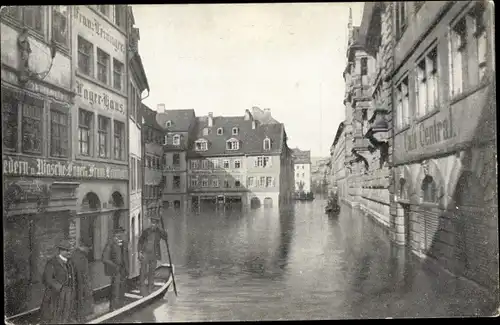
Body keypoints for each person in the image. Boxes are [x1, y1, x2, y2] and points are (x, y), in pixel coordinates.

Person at [40, 239, 77, 324]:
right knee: (57, 313)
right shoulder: (52, 262)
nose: (69, 252)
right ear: (61, 251)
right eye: (67, 250)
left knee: (67, 311)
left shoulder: (70, 262)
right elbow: (47, 279)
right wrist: (60, 287)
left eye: (70, 250)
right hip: (57, 293)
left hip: (69, 291)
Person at [137, 215, 169, 296]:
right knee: (143, 271)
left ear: (157, 224)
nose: (153, 225)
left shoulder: (159, 232)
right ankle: (141, 287)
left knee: (152, 272)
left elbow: (165, 237)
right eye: (152, 223)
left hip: (154, 254)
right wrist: (139, 252)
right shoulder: (146, 231)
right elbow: (140, 242)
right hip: (145, 253)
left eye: (154, 223)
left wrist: (162, 229)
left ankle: (150, 288)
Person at [102, 227, 129, 312]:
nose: (122, 235)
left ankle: (121, 305)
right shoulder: (110, 244)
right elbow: (105, 259)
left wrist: (127, 269)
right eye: (119, 234)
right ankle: (113, 308)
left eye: (122, 234)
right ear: (115, 235)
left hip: (123, 270)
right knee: (115, 289)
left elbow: (126, 257)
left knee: (122, 287)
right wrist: (114, 266)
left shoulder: (124, 244)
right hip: (115, 270)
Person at [70, 240, 94, 322]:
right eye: (88, 249)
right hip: (80, 284)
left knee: (76, 301)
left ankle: (77, 317)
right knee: (81, 301)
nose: (88, 251)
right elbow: (82, 273)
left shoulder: (74, 254)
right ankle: (81, 318)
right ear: (84, 247)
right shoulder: (81, 257)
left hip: (75, 283)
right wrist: (87, 285)